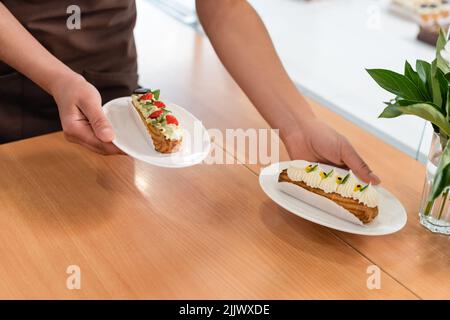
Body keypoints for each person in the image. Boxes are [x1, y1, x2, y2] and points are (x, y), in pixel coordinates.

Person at [0, 0, 380, 184]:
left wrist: (299, 125)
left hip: (112, 97)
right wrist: (56, 77)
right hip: (12, 92)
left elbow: (223, 8)